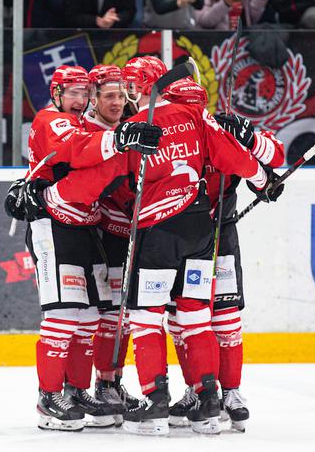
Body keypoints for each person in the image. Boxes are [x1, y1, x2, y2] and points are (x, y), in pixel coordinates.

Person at [33, 56, 281, 436]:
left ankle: (154, 403)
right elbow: (236, 159)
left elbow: (106, 174)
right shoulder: (198, 119)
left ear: (144, 87)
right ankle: (208, 401)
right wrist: (264, 179)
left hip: (158, 232)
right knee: (196, 316)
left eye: (130, 88)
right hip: (201, 232)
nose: (127, 96)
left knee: (146, 317)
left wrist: (51, 195)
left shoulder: (138, 126)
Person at [3, 65, 157, 431]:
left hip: (83, 228)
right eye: (72, 92)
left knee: (87, 320)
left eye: (82, 93)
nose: (78, 99)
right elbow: (73, 152)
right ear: (56, 94)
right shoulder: (51, 119)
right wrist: (119, 143)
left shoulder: (84, 126)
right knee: (62, 318)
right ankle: (48, 397)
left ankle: (74, 390)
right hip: (53, 227)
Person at [162, 79, 285, 433]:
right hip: (184, 240)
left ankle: (231, 392)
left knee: (225, 319)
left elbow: (273, 157)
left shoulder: (220, 131)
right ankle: (198, 389)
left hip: (221, 239)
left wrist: (248, 136)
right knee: (182, 321)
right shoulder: (173, 136)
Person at [81, 64, 139, 422]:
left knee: (124, 316)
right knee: (106, 316)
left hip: (127, 234)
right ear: (93, 98)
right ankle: (101, 386)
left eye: (122, 95)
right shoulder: (87, 131)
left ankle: (114, 382)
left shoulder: (126, 129)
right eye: (110, 96)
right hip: (102, 235)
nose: (118, 102)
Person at [194, 0, 272, 30]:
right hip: (218, 44)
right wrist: (225, 4)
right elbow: (205, 22)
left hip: (241, 43)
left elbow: (253, 20)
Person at [64, 0, 136, 28]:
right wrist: (97, 21)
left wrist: (113, 18)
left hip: (114, 32)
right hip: (79, 33)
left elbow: (129, 11)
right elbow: (70, 15)